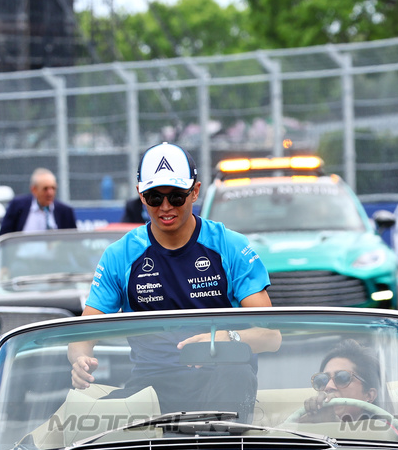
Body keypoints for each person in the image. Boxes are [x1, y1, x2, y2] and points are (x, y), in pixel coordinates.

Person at [68, 142, 279, 417]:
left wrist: (223, 340)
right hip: (151, 386)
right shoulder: (120, 255)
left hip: (223, 382)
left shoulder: (229, 246)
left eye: (176, 197)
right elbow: (83, 336)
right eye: (154, 197)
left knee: (234, 378)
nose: (165, 207)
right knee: (80, 434)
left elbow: (272, 335)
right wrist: (80, 359)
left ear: (195, 192)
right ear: (140, 196)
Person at [0, 168, 77, 235]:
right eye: (45, 189)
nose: (50, 193)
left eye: (53, 188)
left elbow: (73, 242)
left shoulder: (65, 212)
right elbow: (4, 237)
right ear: (34, 190)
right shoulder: (17, 207)